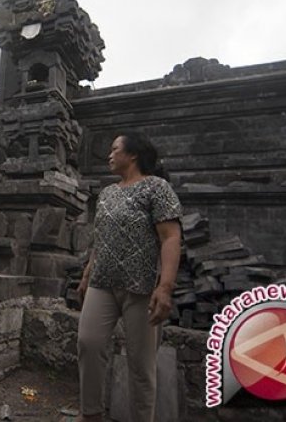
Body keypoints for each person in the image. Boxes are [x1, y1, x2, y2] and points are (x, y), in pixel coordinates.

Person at [74, 132, 182, 422]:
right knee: (88, 342)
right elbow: (100, 238)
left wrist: (166, 287)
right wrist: (87, 273)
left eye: (114, 150)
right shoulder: (108, 193)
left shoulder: (156, 188)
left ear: (132, 155)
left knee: (141, 364)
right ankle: (91, 414)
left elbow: (171, 237)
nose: (109, 155)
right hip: (103, 283)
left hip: (142, 287)